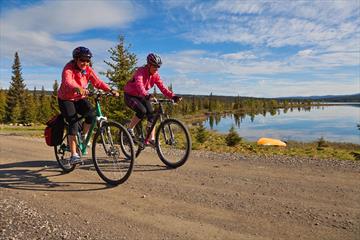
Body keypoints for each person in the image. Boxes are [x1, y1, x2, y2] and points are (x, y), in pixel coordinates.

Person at [58, 46, 119, 164]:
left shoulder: (87, 69)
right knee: (73, 122)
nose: (85, 63)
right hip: (66, 99)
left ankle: (83, 135)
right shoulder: (68, 68)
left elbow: (97, 82)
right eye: (82, 60)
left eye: (87, 61)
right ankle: (74, 155)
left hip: (80, 98)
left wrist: (110, 90)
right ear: (76, 59)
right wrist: (78, 88)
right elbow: (67, 82)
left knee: (91, 115)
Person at [124, 53, 182, 146]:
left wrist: (173, 96)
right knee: (142, 111)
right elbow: (139, 85)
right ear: (149, 65)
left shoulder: (155, 75)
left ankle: (151, 139)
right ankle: (129, 129)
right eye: (155, 66)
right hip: (130, 95)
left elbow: (163, 88)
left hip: (142, 96)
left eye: (158, 67)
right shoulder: (140, 71)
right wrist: (147, 95)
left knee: (151, 113)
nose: (157, 69)